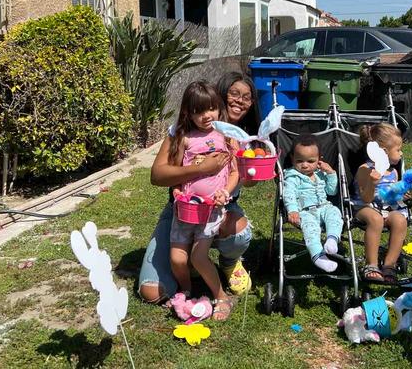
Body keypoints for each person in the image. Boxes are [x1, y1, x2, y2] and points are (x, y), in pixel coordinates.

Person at [138, 72, 259, 303]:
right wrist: (201, 168)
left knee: (238, 230)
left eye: (247, 97)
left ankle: (228, 263)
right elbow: (157, 175)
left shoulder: (238, 137)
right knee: (152, 292)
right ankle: (191, 270)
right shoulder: (183, 133)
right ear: (219, 96)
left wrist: (254, 170)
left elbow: (245, 179)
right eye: (234, 94)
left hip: (219, 208)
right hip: (183, 210)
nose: (240, 101)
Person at [168, 81, 239, 320]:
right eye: (198, 111)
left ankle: (221, 296)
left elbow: (234, 173)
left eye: (211, 108)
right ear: (188, 114)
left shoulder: (226, 137)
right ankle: (187, 291)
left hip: (211, 210)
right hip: (186, 209)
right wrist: (177, 190)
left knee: (198, 256)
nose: (206, 115)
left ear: (219, 108)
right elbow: (176, 172)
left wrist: (225, 192)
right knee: (178, 258)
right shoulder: (185, 139)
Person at [351, 123, 409, 283]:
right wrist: (372, 183)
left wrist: (402, 194)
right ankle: (372, 265)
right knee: (375, 219)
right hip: (364, 207)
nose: (401, 153)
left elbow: (392, 195)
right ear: (384, 152)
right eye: (398, 149)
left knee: (400, 220)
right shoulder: (365, 169)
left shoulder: (393, 172)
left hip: (386, 208)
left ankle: (389, 265)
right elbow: (365, 198)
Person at [282, 134, 343, 272]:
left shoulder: (321, 174)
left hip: (324, 207)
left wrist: (331, 173)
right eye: (299, 161)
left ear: (319, 160)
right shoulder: (292, 177)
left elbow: (332, 191)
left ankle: (332, 239)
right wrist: (292, 210)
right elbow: (289, 194)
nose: (305, 165)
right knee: (310, 229)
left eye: (310, 161)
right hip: (305, 212)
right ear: (292, 158)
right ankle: (318, 256)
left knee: (335, 213)